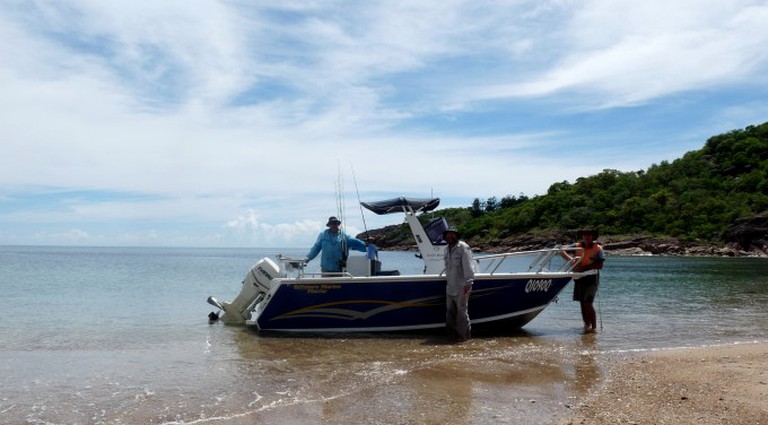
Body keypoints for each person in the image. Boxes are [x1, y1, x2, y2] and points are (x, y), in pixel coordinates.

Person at [443, 227, 474, 341]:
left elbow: (468, 267)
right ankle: (451, 338)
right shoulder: (446, 249)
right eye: (448, 235)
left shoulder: (463, 247)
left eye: (453, 234)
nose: (450, 237)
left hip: (462, 287)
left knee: (462, 314)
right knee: (450, 313)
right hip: (450, 287)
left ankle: (465, 338)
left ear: (457, 236)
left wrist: (468, 284)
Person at [571, 228, 605, 333]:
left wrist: (584, 268)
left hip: (592, 278)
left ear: (593, 237)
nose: (587, 237)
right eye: (585, 235)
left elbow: (600, 265)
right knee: (582, 303)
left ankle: (594, 328)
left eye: (589, 235)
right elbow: (562, 251)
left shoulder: (598, 248)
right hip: (579, 277)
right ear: (582, 237)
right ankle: (587, 325)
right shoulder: (576, 246)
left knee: (587, 303)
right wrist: (571, 261)